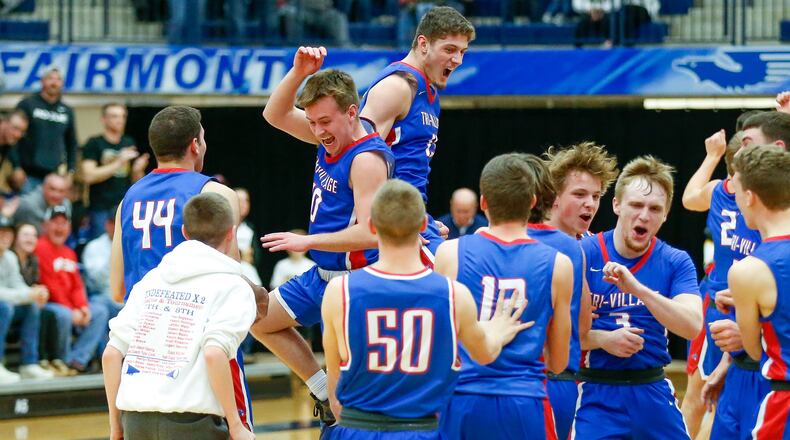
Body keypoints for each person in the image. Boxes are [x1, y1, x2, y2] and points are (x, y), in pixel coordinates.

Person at [322, 179, 533, 438]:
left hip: (356, 427)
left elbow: (334, 382)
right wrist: (498, 328)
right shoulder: (454, 294)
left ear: (371, 226)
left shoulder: (338, 291)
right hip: (422, 429)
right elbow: (485, 353)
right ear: (424, 225)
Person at [257, 45, 393, 427]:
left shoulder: (367, 159)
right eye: (313, 122)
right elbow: (275, 114)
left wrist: (308, 242)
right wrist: (298, 72)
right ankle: (317, 386)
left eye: (324, 122)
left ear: (352, 113)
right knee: (258, 316)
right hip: (323, 277)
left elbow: (371, 233)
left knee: (347, 402)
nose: (317, 131)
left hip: (356, 285)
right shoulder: (328, 137)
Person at [108, 105, 262, 429]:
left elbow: (118, 289)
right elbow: (230, 274)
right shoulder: (215, 193)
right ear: (195, 144)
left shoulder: (128, 199)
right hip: (200, 345)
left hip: (144, 351)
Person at [436, 154, 572, 439]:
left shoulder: (449, 253)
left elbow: (439, 344)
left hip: (463, 400)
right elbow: (559, 362)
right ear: (533, 202)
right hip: (525, 401)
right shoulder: (559, 264)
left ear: (483, 203)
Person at [103, 192, 256, 440]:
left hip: (135, 420)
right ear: (231, 233)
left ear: (184, 232)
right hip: (193, 422)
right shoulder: (233, 286)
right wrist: (237, 426)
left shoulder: (151, 279)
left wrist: (115, 426)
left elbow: (111, 355)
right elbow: (214, 353)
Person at [574, 156, 703, 440]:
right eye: (636, 205)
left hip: (652, 388)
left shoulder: (675, 261)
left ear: (666, 214)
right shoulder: (583, 252)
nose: (644, 215)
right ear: (617, 205)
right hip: (596, 392)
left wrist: (639, 290)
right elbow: (558, 333)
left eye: (655, 208)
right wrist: (602, 339)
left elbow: (692, 325)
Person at [359, 6, 475, 259]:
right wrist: (396, 222)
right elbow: (359, 159)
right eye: (450, 49)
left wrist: (425, 220)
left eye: (462, 52)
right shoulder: (398, 86)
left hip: (413, 213)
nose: (458, 60)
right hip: (394, 219)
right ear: (423, 44)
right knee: (467, 279)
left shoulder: (428, 91)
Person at [682, 129, 767, 439]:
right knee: (698, 393)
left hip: (755, 303)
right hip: (720, 303)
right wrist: (712, 157)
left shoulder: (768, 199)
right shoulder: (722, 190)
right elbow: (689, 199)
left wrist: (712, 155)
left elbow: (690, 198)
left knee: (741, 394)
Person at [522, 153, 589, 440]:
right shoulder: (573, 247)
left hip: (496, 379)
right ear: (554, 198)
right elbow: (583, 328)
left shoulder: (477, 243)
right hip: (555, 378)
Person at [729, 145, 790, 440]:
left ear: (750, 197)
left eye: (737, 192)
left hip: (785, 403)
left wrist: (745, 309)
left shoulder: (747, 271)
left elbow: (754, 350)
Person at [35, 205, 109, 373]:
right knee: (64, 314)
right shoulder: (40, 247)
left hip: (69, 304)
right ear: (45, 225)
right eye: (55, 223)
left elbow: (77, 285)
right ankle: (61, 360)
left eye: (64, 223)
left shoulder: (69, 252)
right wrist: (72, 310)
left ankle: (77, 359)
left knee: (99, 311)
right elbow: (50, 283)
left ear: (69, 227)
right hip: (50, 303)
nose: (59, 228)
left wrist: (82, 306)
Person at [81, 103, 149, 240]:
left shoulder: (128, 142)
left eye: (123, 116)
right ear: (103, 119)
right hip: (100, 207)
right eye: (114, 116)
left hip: (124, 205)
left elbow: (135, 181)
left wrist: (138, 170)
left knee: (125, 245)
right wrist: (118, 162)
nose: (120, 120)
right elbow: (88, 176)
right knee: (101, 246)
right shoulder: (94, 143)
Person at [0, 215, 52, 383]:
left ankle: (29, 364)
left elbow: (17, 284)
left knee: (31, 307)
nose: (4, 237)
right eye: (1, 233)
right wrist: (28, 294)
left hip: (6, 307)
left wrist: (35, 292)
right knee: (5, 307)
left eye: (7, 233)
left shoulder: (9, 257)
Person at [15, 67, 78, 193]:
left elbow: (72, 143)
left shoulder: (67, 110)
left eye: (58, 79)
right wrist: (16, 166)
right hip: (28, 176)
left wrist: (71, 171)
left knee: (53, 213)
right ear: (42, 81)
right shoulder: (27, 104)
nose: (54, 83)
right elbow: (13, 136)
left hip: (54, 176)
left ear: (62, 84)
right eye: (50, 78)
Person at [544, 142, 620, 239]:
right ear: (553, 195)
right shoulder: (526, 243)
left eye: (595, 196)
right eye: (580, 194)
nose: (591, 204)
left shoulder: (595, 247)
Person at [0, 110, 29, 195]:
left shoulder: (8, 147)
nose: (18, 135)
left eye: (22, 131)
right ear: (3, 123)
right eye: (15, 128)